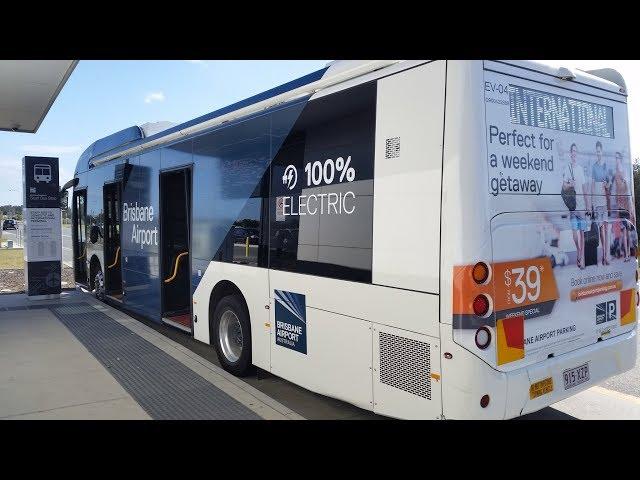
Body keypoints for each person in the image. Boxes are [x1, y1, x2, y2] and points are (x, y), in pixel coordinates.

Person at [562, 143, 590, 270]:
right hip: (573, 207)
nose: (574, 153)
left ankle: (582, 259)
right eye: (572, 151)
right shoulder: (567, 168)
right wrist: (570, 184)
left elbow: (584, 189)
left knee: (582, 233)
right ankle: (579, 252)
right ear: (570, 153)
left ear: (577, 154)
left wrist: (588, 205)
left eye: (576, 151)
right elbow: (564, 187)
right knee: (575, 233)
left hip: (582, 206)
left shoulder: (580, 169)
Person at [592, 141, 611, 265]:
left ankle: (605, 256)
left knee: (605, 227)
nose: (598, 153)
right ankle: (604, 255)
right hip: (598, 201)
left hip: (604, 199)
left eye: (600, 151)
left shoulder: (606, 166)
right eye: (597, 151)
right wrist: (593, 202)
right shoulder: (594, 166)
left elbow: (609, 184)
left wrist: (606, 185)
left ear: (602, 151)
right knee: (601, 229)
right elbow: (593, 185)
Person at [613, 151, 634, 262]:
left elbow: (627, 189)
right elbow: (617, 190)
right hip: (620, 205)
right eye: (615, 158)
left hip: (625, 204)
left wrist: (630, 207)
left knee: (627, 230)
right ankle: (626, 254)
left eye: (617, 158)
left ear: (620, 159)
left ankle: (628, 253)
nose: (616, 160)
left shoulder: (624, 172)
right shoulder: (616, 173)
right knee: (623, 231)